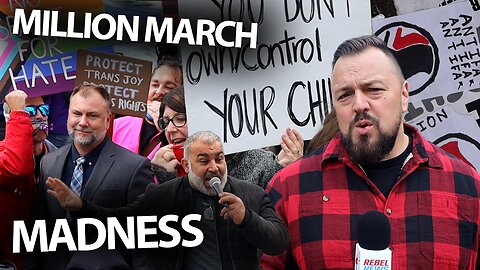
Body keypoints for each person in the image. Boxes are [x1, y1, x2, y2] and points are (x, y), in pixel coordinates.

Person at [261, 35, 480, 269]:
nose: (359, 104)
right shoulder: (289, 188)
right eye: (345, 94)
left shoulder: (466, 186)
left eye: (373, 89)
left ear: (404, 96)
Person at [46, 130, 289, 269]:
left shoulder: (251, 194)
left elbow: (278, 241)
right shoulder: (163, 196)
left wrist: (246, 219)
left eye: (220, 159)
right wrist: (81, 206)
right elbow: (120, 221)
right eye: (204, 161)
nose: (215, 167)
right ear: (186, 164)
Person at [28, 84, 154, 269]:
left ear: (108, 120)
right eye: (77, 113)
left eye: (92, 115)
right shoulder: (48, 162)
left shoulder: (134, 167)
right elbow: (39, 229)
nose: (83, 122)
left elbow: (143, 240)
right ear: (68, 115)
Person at [150, 86, 304, 189]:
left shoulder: (261, 165)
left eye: (180, 118)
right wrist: (166, 178)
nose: (170, 129)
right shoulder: (164, 168)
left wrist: (289, 173)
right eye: (166, 121)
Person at [112, 57, 183, 159]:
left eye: (169, 87)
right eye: (155, 85)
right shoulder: (118, 124)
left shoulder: (182, 132)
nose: (159, 91)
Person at [0, 90, 34, 269]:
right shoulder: (10, 158)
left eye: (43, 110)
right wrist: (18, 113)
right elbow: (16, 167)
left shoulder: (53, 155)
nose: (37, 116)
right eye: (30, 111)